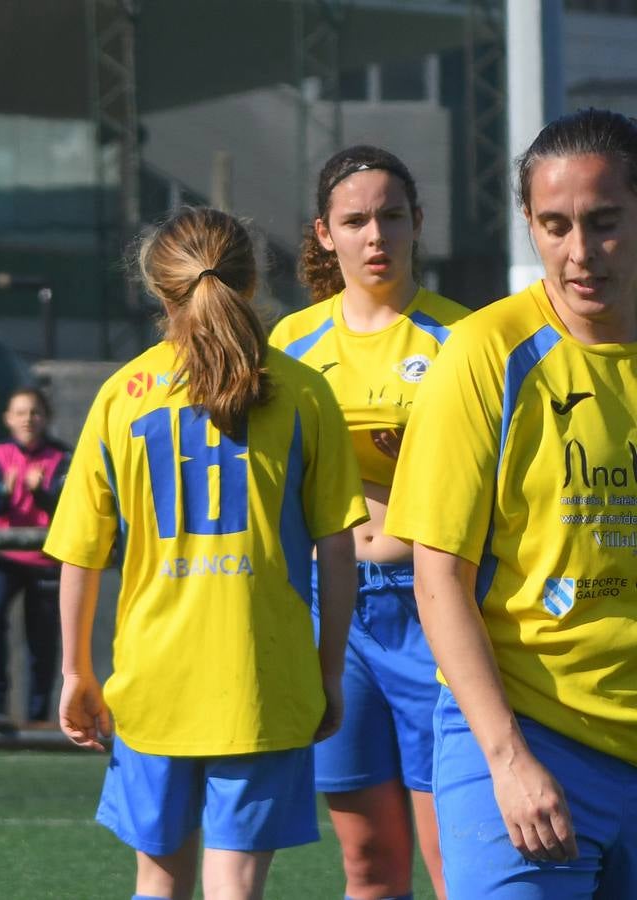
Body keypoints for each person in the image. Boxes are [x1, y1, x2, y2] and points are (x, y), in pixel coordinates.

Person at [49, 206, 366, 900]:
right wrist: (330, 671)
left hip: (152, 683)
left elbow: (80, 555)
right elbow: (337, 550)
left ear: (158, 290)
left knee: (157, 885)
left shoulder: (120, 397)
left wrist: (75, 670)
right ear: (251, 284)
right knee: (235, 890)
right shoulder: (305, 391)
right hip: (264, 681)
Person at [386, 107, 637, 898]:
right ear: (528, 223)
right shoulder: (485, 354)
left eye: (604, 223)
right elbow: (438, 581)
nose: (578, 253)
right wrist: (507, 758)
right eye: (554, 225)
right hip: (529, 739)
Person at [269, 145, 468, 900]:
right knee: (368, 867)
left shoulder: (467, 339)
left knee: (456, 864)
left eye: (391, 216)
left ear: (418, 223)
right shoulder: (290, 344)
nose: (375, 235)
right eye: (355, 220)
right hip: (336, 617)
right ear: (325, 233)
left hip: (436, 607)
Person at [0, 386, 69, 724]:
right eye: (20, 412)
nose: (27, 419)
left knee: (41, 640)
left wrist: (40, 492)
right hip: (5, 556)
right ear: (8, 418)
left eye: (34, 412)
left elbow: (66, 508)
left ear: (45, 418)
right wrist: (7, 486)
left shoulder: (63, 456)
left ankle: (38, 715)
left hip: (45, 559)